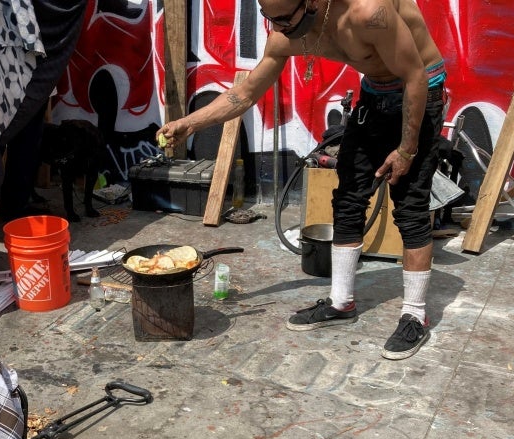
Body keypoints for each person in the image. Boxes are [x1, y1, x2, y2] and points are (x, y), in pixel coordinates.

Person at [158, 0, 446, 360]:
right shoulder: (287, 31)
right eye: (270, 19)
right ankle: (341, 302)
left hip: (421, 91)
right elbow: (244, 94)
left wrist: (405, 150)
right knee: (348, 199)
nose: (278, 28)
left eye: (283, 19)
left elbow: (415, 75)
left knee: (410, 208)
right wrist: (190, 123)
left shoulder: (368, 12)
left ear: (311, 2)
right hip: (374, 95)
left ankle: (415, 315)